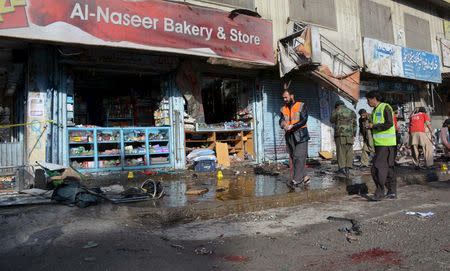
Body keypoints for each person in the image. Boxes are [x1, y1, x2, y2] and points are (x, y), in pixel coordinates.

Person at [365, 91, 397, 200]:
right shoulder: (375, 110)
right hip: (381, 144)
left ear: (374, 98)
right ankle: (391, 192)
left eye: (368, 100)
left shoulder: (385, 107)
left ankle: (380, 193)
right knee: (388, 168)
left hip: (386, 144)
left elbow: (389, 123)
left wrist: (373, 126)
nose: (367, 102)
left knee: (377, 168)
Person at [280, 89, 310, 189]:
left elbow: (304, 119)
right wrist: (283, 124)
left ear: (292, 96)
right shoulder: (283, 109)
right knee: (293, 157)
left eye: (286, 97)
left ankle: (297, 180)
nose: (284, 99)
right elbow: (281, 120)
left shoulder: (301, 105)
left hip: (301, 134)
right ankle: (305, 176)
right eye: (283, 97)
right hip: (289, 136)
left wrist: (293, 126)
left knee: (299, 157)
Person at [330, 100, 357, 177]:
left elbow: (331, 120)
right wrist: (354, 134)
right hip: (350, 135)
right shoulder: (352, 111)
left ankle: (342, 169)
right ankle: (348, 168)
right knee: (349, 151)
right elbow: (355, 124)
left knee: (341, 151)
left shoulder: (337, 110)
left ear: (337, 105)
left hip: (340, 134)